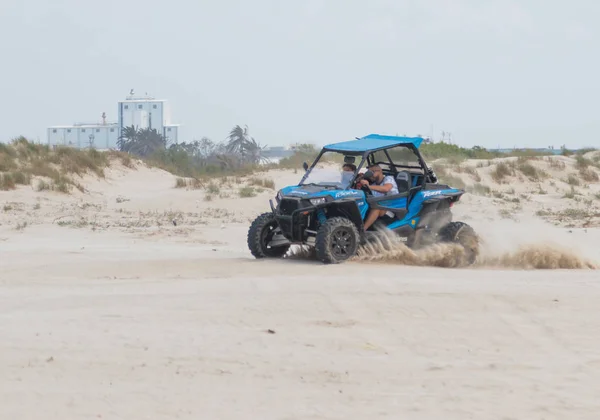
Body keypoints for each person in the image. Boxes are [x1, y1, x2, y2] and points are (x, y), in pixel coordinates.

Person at [359, 164, 399, 231]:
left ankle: (362, 231)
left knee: (376, 208)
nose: (370, 176)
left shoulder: (388, 178)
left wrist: (369, 186)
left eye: (371, 173)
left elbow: (386, 189)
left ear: (379, 171)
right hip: (381, 205)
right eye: (368, 173)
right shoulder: (374, 184)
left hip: (392, 208)